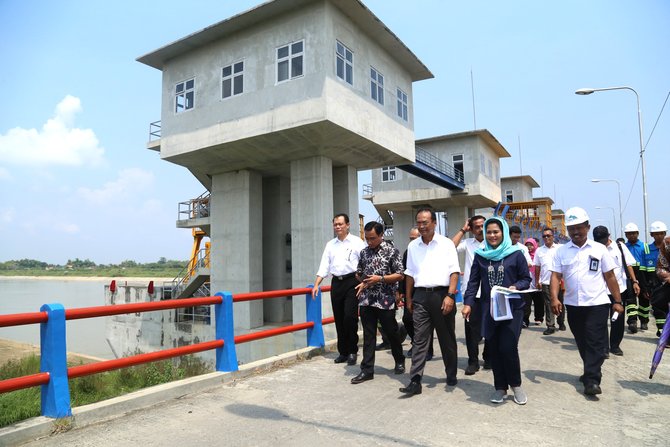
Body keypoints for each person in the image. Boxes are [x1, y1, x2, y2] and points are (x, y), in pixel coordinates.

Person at [550, 207, 624, 396]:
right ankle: (589, 370)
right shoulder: (562, 251)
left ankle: (592, 380)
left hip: (597, 304)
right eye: (571, 228)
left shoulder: (599, 250)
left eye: (579, 228)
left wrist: (618, 301)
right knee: (582, 341)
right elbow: (555, 276)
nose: (575, 232)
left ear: (587, 227)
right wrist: (554, 298)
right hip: (573, 305)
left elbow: (610, 276)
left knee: (594, 341)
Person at [462, 217, 531, 405]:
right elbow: (473, 282)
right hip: (489, 310)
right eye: (489, 232)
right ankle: (500, 388)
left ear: (504, 233)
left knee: (508, 347)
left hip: (512, 309)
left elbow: (526, 279)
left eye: (496, 232)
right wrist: (468, 303)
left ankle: (516, 385)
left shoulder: (516, 253)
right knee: (494, 349)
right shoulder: (481, 255)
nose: (492, 236)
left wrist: (517, 286)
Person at [399, 207, 460, 396]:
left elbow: (454, 271)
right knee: (419, 340)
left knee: (446, 338)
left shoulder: (446, 244)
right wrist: (409, 298)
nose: (422, 226)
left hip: (441, 296)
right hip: (420, 297)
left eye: (425, 222)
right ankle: (415, 380)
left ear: (434, 223)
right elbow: (409, 274)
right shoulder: (412, 246)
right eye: (419, 222)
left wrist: (450, 296)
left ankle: (451, 373)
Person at [350, 221, 406, 384]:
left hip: (385, 299)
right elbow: (359, 272)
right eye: (367, 238)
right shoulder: (364, 252)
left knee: (391, 331)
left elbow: (400, 275)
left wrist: (379, 279)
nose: (369, 241)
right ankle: (367, 370)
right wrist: (362, 280)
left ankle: (399, 359)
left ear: (381, 235)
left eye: (373, 238)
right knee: (368, 335)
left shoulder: (392, 251)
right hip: (367, 299)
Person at [312, 213, 366, 366]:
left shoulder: (357, 242)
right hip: (337, 282)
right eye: (335, 224)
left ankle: (352, 351)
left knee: (350, 317)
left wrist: (364, 281)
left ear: (348, 225)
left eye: (340, 224)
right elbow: (324, 265)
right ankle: (343, 352)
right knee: (339, 318)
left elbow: (364, 261)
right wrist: (317, 284)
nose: (338, 227)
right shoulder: (330, 244)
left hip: (352, 281)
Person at [592, 226, 640, 357]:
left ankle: (615, 345)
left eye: (603, 239)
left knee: (617, 319)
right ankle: (603, 348)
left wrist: (635, 281)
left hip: (618, 289)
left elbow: (628, 264)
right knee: (601, 320)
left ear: (609, 236)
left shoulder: (620, 247)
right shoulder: (593, 248)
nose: (601, 242)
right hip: (600, 290)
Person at [452, 215, 489, 375]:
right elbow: (450, 247)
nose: (480, 229)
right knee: (471, 331)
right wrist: (463, 229)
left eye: (483, 226)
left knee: (491, 328)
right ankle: (473, 362)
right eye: (476, 227)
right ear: (472, 229)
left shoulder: (495, 243)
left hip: (490, 293)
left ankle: (489, 358)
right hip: (471, 295)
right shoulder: (467, 244)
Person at [398, 227, 434, 359]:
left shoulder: (431, 250)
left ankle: (427, 350)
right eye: (410, 239)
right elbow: (405, 272)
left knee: (426, 322)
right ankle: (417, 343)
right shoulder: (409, 251)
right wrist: (401, 291)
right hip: (412, 291)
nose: (412, 241)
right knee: (407, 319)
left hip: (427, 290)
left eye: (414, 238)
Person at [534, 227, 565, 334]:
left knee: (561, 302)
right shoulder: (539, 250)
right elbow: (537, 267)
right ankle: (550, 325)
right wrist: (537, 281)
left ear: (553, 236)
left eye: (548, 235)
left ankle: (561, 322)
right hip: (546, 282)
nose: (546, 237)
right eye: (544, 236)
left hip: (560, 282)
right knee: (548, 304)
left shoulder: (560, 248)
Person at [624, 222, 651, 333]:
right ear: (626, 235)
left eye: (633, 233)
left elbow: (649, 261)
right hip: (629, 274)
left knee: (644, 298)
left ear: (638, 233)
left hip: (642, 272)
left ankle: (644, 321)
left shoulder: (645, 246)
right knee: (630, 298)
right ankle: (632, 321)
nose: (631, 236)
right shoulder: (624, 247)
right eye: (629, 234)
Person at [644, 221, 669, 336]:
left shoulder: (667, 244)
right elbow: (645, 269)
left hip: (666, 281)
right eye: (656, 233)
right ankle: (662, 330)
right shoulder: (648, 249)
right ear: (651, 235)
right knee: (658, 306)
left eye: (661, 233)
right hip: (655, 281)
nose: (659, 236)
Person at [523, 237, 545, 328]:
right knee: (526, 303)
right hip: (527, 283)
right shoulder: (524, 255)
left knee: (539, 302)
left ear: (535, 245)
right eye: (527, 245)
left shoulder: (539, 255)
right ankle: (525, 320)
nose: (529, 247)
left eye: (531, 245)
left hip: (537, 281)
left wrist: (539, 280)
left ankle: (538, 318)